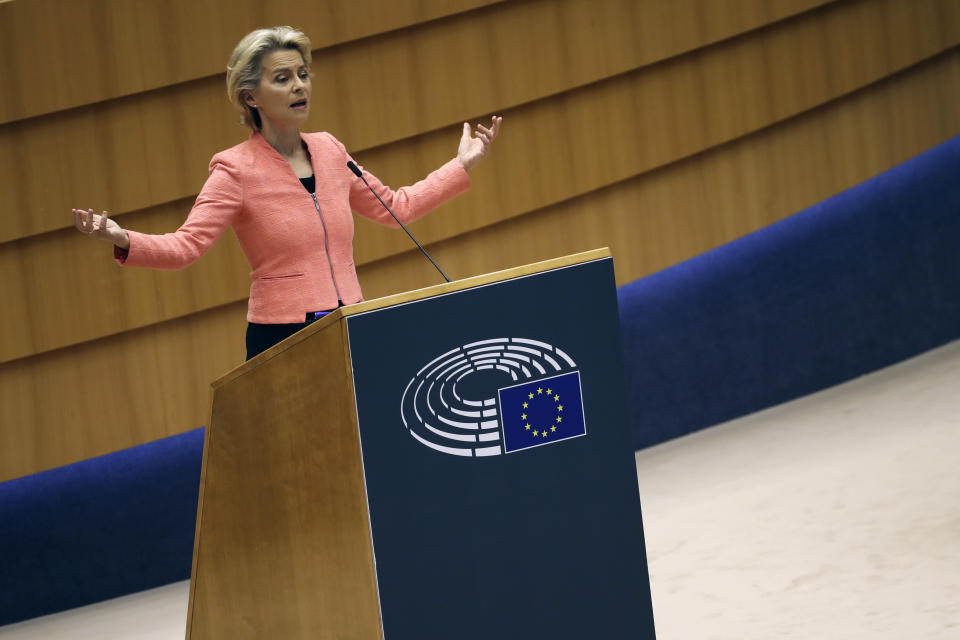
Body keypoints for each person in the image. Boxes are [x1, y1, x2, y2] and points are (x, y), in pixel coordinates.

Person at [72, 26, 502, 360]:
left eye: (303, 74)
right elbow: (187, 246)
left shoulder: (330, 150)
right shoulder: (234, 170)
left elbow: (396, 208)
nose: (300, 86)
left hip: (350, 322)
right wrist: (121, 237)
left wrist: (461, 164)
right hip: (282, 336)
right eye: (283, 78)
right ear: (250, 97)